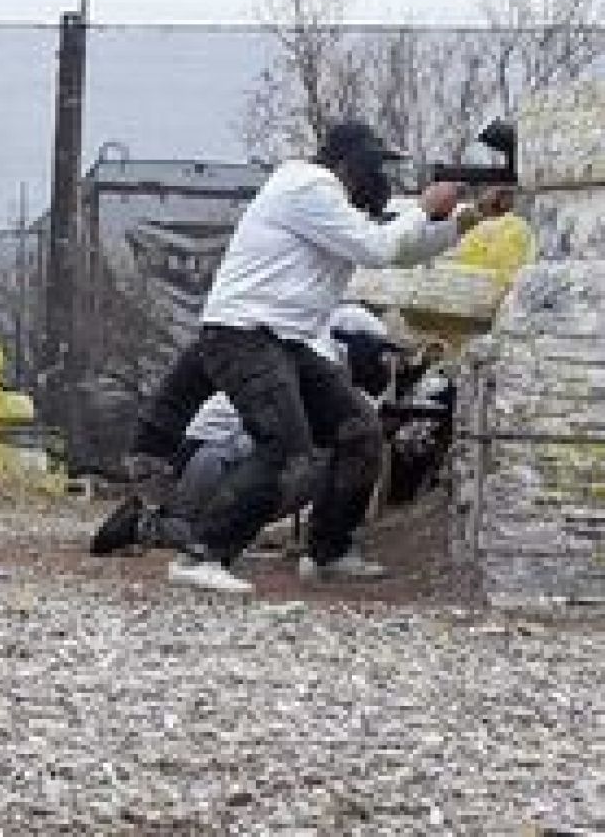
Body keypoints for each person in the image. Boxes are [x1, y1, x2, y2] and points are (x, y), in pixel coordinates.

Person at [100, 120, 477, 592]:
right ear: (350, 162)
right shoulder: (307, 185)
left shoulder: (330, 203)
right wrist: (425, 208)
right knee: (283, 448)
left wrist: (457, 223)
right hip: (243, 335)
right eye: (376, 166)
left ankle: (329, 552)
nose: (382, 178)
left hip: (282, 341)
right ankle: (204, 555)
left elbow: (395, 249)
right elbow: (379, 247)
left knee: (359, 432)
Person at [92, 302, 401, 579]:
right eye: (375, 351)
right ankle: (158, 527)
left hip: (214, 453)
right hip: (209, 456)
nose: (380, 362)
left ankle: (185, 526)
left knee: (304, 457)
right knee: (304, 462)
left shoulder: (311, 354)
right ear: (349, 342)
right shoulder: (318, 357)